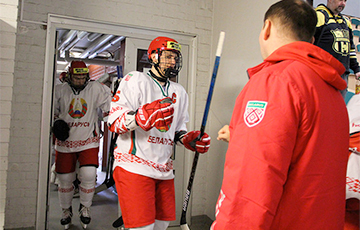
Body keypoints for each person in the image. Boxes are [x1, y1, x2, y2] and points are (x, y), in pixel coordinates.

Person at [211, 0, 349, 229]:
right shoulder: (331, 90)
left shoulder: (275, 81)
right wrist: (241, 137)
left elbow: (253, 180)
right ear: (312, 40)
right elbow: (306, 153)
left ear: (266, 28)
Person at [107, 36, 211, 230]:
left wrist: (188, 139)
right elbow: (113, 123)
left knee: (161, 225)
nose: (173, 62)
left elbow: (178, 130)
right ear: (154, 56)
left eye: (175, 58)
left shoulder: (179, 92)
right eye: (168, 56)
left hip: (164, 169)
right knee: (143, 228)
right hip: (133, 166)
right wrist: (139, 117)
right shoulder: (135, 80)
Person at [53, 60, 112, 229]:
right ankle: (66, 210)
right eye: (76, 77)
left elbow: (110, 106)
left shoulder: (96, 88)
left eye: (82, 77)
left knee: (88, 175)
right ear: (70, 76)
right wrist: (56, 124)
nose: (79, 81)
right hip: (65, 142)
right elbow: (51, 111)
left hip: (88, 141)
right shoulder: (59, 90)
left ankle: (85, 207)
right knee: (64, 179)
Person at [314, 0, 360, 99]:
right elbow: (309, 42)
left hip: (342, 75)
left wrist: (356, 69)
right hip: (323, 74)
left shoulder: (346, 22)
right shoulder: (319, 16)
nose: (343, 3)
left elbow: (350, 48)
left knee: (338, 110)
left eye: (345, 1)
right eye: (340, 0)